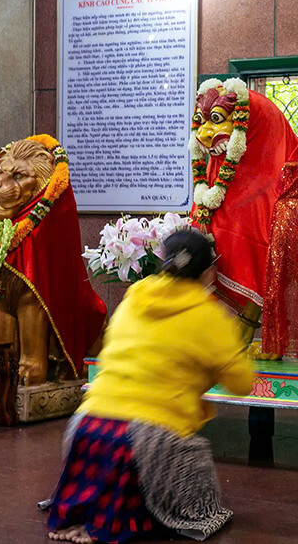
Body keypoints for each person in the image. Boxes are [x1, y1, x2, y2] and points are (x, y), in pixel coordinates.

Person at [46, 229, 255, 544]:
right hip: (144, 438)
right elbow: (242, 383)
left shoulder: (135, 296)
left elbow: (113, 347)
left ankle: (87, 510)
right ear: (208, 271)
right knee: (197, 475)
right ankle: (116, 518)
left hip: (85, 427)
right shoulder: (208, 314)